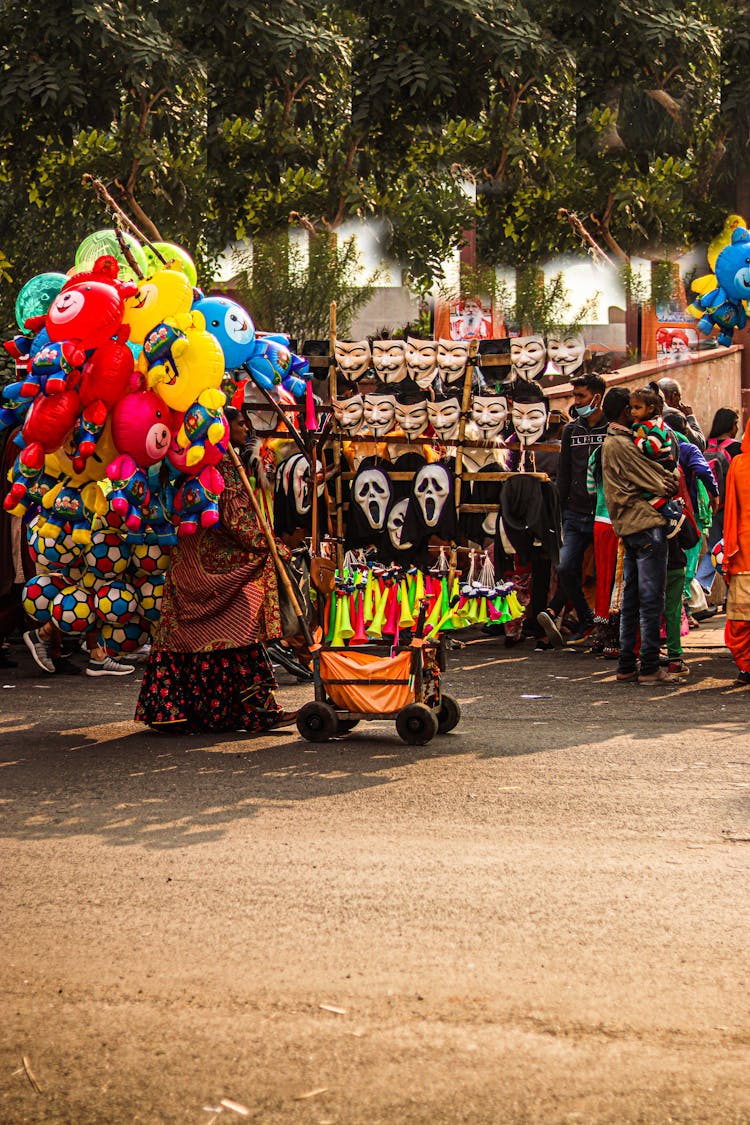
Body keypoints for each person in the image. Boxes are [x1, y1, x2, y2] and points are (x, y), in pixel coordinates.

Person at [135, 408, 297, 732]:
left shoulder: (198, 461)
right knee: (243, 628)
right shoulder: (222, 463)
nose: (246, 427)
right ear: (221, 427)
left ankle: (182, 711)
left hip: (187, 562)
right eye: (239, 422)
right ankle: (255, 711)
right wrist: (273, 548)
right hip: (214, 567)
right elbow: (236, 518)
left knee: (185, 636)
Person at [600, 387, 681, 684]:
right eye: (632, 409)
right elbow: (664, 482)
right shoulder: (622, 443)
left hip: (628, 527)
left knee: (632, 599)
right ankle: (648, 666)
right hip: (645, 525)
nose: (634, 414)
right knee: (650, 600)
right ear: (626, 411)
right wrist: (670, 478)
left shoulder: (616, 441)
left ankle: (625, 665)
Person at [537, 373, 608, 646]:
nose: (577, 402)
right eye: (575, 396)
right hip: (574, 514)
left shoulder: (610, 429)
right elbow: (564, 474)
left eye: (582, 396)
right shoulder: (571, 431)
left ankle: (602, 628)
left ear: (597, 397)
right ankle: (587, 619)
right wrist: (560, 512)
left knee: (602, 575)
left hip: (603, 513)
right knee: (566, 568)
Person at [695, 407, 742, 595]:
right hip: (731, 508)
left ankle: (698, 588)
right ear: (732, 426)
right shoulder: (736, 448)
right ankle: (731, 593)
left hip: (709, 508)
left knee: (715, 550)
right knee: (733, 551)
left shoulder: (705, 445)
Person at [721, 417, 750, 684]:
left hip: (743, 554)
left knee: (742, 618)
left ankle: (745, 667)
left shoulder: (739, 464)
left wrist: (730, 548)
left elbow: (731, 511)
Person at [657, 377, 706, 451]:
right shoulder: (673, 416)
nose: (680, 403)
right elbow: (700, 444)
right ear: (674, 395)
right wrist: (690, 417)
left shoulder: (649, 411)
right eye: (679, 397)